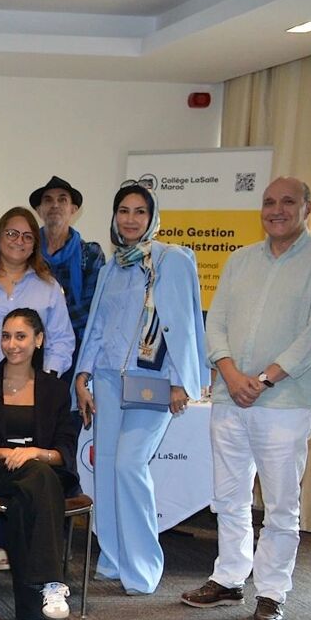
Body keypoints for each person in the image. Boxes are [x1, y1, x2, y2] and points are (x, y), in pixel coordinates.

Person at [180, 177, 311, 620]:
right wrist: (231, 373)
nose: (277, 210)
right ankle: (229, 577)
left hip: (284, 403)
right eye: (269, 202)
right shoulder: (240, 261)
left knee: (279, 506)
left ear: (307, 208)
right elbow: (217, 323)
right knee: (228, 499)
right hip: (230, 398)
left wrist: (264, 379)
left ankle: (272, 591)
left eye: (287, 202)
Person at [73, 182, 207, 596]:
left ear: (152, 217)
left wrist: (182, 381)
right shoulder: (113, 266)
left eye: (139, 212)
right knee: (109, 469)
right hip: (110, 379)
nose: (131, 219)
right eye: (124, 211)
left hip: (153, 382)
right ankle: (114, 556)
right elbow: (98, 326)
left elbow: (185, 323)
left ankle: (145, 566)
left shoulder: (172, 260)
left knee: (130, 466)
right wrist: (82, 376)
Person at [0, 308, 79, 620]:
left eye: (21, 336)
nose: (12, 344)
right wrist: (11, 454)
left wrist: (35, 453)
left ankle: (28, 609)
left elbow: (65, 449)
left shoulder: (54, 389)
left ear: (38, 341)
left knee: (33, 488)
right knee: (39, 479)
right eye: (6, 336)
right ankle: (52, 581)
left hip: (37, 474)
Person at [0, 207, 75, 378]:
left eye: (27, 237)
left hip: (31, 390)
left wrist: (46, 377)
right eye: (12, 234)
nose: (19, 241)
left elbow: (62, 340)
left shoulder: (49, 288)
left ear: (35, 245)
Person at [31, 175, 105, 368]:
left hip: (75, 350)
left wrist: (49, 326)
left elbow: (92, 308)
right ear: (39, 211)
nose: (55, 205)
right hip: (28, 349)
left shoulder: (90, 253)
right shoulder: (26, 253)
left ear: (74, 209)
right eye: (48, 200)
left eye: (62, 199)